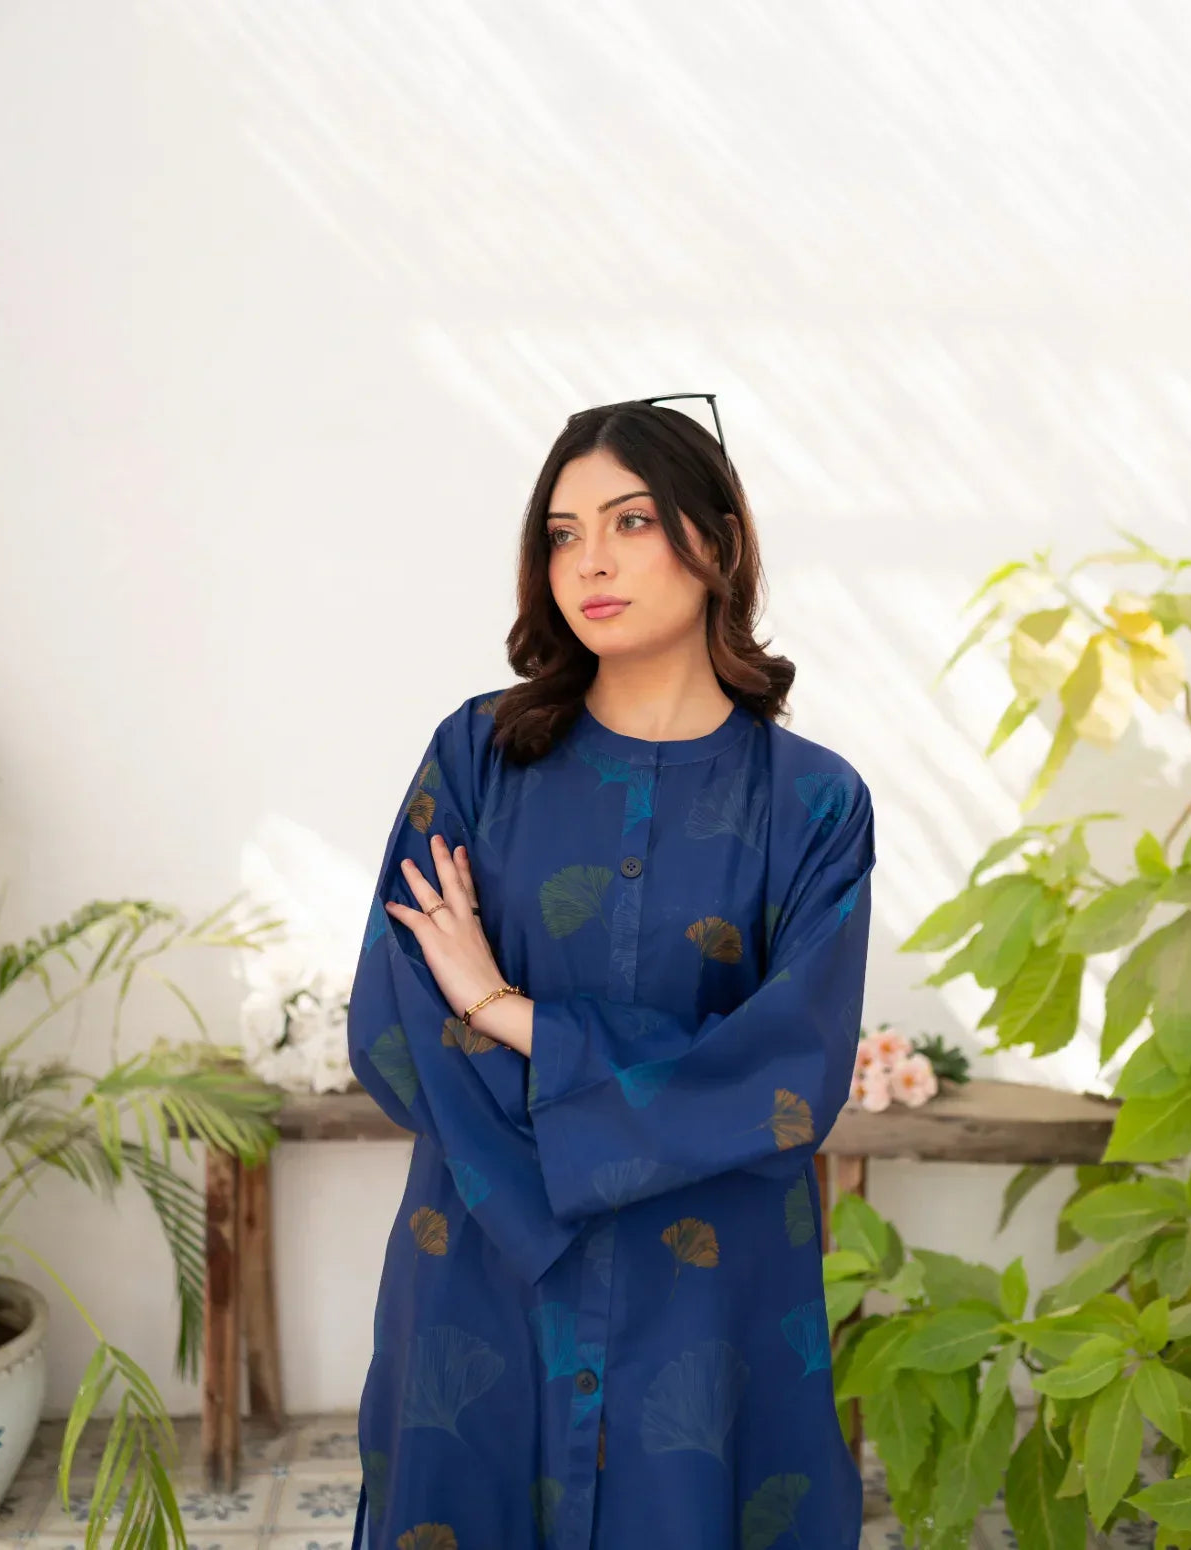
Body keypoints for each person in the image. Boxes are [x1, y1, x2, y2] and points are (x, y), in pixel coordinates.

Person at [347, 397, 876, 1550]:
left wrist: (511, 1009)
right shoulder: (477, 759)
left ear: (719, 539)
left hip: (709, 1296)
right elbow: (395, 1025)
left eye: (631, 522)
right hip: (484, 1260)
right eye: (561, 530)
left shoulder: (816, 801)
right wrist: (551, 1196)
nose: (590, 559)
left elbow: (792, 1070)